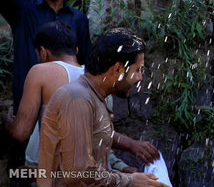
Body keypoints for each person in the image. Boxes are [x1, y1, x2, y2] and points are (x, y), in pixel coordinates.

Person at [3, 21, 157, 172]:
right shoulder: (100, 83)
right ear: (76, 50)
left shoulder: (42, 72)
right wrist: (123, 167)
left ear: (43, 52)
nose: (140, 78)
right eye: (137, 70)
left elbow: (21, 132)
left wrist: (8, 122)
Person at [38, 28, 168, 186]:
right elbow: (78, 174)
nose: (140, 77)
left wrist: (123, 172)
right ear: (118, 70)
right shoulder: (78, 99)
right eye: (137, 70)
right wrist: (130, 181)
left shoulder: (96, 97)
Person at [0, 0, 92, 114]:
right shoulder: (23, 9)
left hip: (69, 107)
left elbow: (86, 64)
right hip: (27, 106)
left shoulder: (78, 19)